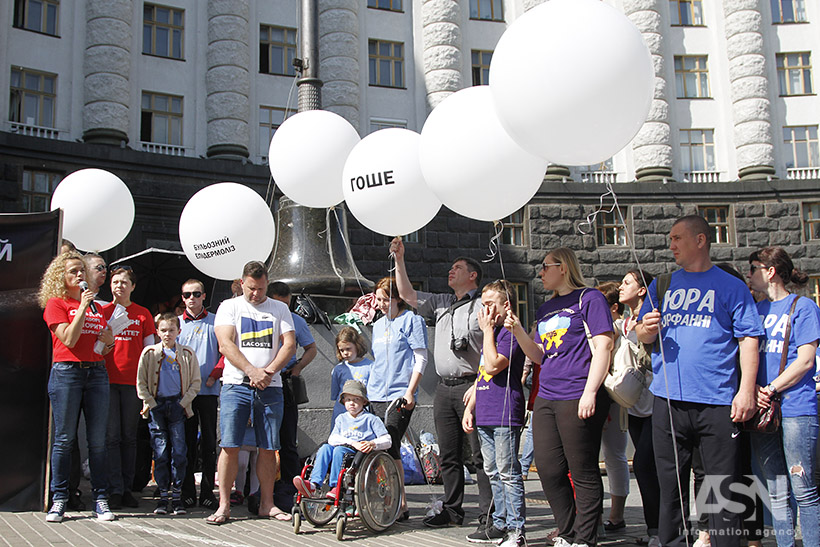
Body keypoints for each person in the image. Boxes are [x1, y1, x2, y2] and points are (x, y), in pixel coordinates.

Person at [636, 215, 764, 547]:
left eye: (678, 237)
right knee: (671, 488)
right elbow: (641, 334)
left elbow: (749, 338)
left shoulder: (730, 285)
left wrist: (746, 391)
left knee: (721, 489)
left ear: (700, 240)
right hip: (667, 400)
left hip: (717, 401)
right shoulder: (662, 284)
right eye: (670, 238)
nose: (672, 244)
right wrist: (646, 329)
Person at [506, 247, 613, 547]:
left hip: (578, 391)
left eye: (545, 267)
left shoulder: (589, 299)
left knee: (582, 470)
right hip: (547, 396)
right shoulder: (545, 309)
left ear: (563, 267)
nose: (540, 273)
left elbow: (604, 346)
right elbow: (539, 355)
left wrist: (591, 392)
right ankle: (568, 530)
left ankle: (585, 537)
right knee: (549, 468)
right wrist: (518, 332)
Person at [389, 237, 493, 532]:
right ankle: (452, 509)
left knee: (478, 455)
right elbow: (407, 294)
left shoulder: (482, 305)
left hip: (471, 386)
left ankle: (488, 514)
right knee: (448, 454)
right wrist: (400, 260)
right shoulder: (441, 302)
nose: (451, 271)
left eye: (457, 268)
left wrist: (481, 381)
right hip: (444, 389)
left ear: (472, 276)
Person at [207, 261, 296, 525]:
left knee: (269, 447)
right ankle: (224, 505)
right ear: (241, 283)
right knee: (230, 446)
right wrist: (250, 371)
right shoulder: (229, 306)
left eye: (260, 288)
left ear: (267, 283)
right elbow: (225, 344)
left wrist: (267, 372)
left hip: (271, 386)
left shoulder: (279, 308)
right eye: (250, 288)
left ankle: (267, 504)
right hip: (236, 385)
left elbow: (289, 344)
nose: (255, 294)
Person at [747, 246, 820, 547]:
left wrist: (771, 388)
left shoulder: (803, 307)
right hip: (763, 410)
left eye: (753, 268)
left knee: (803, 489)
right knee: (776, 491)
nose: (748, 275)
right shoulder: (755, 310)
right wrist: (753, 391)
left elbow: (805, 360)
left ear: (770, 271)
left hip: (796, 408)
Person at [40, 251, 116, 522]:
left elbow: (104, 347)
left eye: (81, 270)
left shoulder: (96, 306)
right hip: (67, 373)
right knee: (64, 439)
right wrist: (82, 307)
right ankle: (58, 498)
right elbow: (69, 340)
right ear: (61, 277)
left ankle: (101, 499)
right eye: (73, 271)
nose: (80, 275)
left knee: (98, 441)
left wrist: (109, 341)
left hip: (96, 373)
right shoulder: (56, 304)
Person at [462, 280, 527, 547]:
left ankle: (516, 528)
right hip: (485, 410)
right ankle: (499, 522)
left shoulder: (510, 333)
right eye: (482, 305)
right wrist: (471, 406)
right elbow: (482, 372)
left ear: (506, 305)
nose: (484, 311)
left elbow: (493, 363)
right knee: (492, 470)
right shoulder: (492, 333)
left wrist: (488, 331)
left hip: (504, 410)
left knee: (508, 470)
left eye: (490, 305)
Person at [370, 277, 428, 520]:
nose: (380, 304)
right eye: (378, 299)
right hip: (375, 393)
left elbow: (421, 357)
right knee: (376, 447)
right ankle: (385, 497)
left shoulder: (412, 321)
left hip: (399, 394)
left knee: (390, 442)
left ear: (397, 299)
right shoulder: (377, 325)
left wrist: (410, 391)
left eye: (385, 299)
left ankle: (399, 500)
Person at [102, 264, 157, 509]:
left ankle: (126, 488)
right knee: (111, 437)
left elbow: (149, 353)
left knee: (129, 437)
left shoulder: (142, 314)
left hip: (133, 384)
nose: (119, 286)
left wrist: (148, 384)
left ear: (133, 286)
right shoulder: (101, 311)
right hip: (106, 381)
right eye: (115, 282)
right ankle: (113, 489)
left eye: (124, 282)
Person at [136, 312, 201, 515]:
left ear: (178, 332)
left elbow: (195, 382)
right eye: (163, 330)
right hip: (157, 406)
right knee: (161, 452)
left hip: (177, 406)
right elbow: (141, 383)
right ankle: (163, 495)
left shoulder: (187, 354)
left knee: (179, 452)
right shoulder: (149, 353)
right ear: (157, 332)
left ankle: (177, 494)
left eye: (171, 330)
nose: (167, 334)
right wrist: (151, 403)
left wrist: (183, 403)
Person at [618, 269, 660, 547]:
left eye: (627, 283)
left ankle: (664, 529)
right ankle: (653, 529)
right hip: (633, 404)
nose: (621, 287)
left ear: (642, 290)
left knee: (648, 465)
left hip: (657, 401)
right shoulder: (624, 321)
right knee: (645, 469)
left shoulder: (652, 317)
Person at [293, 381, 391, 499]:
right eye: (348, 400)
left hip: (359, 454)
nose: (352, 403)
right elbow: (333, 438)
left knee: (339, 450)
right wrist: (352, 443)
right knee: (325, 448)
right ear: (344, 402)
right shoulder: (341, 418)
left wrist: (373, 443)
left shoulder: (371, 419)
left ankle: (335, 486)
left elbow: (387, 440)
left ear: (364, 402)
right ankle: (313, 484)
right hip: (345, 446)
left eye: (356, 400)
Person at [267, 281, 318, 510]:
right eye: (280, 304)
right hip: (263, 380)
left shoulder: (296, 321)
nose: (284, 310)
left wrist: (297, 368)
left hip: (285, 380)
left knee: (288, 437)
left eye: (287, 305)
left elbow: (311, 348)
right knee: (264, 439)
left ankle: (290, 484)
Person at [177, 278, 220, 509]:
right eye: (186, 295)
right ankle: (186, 492)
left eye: (196, 294)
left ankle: (207, 492)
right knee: (186, 444)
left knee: (209, 443)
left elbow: (224, 352)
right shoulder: (175, 324)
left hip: (209, 392)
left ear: (204, 296)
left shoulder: (216, 322)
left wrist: (215, 374)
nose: (191, 299)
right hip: (185, 395)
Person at [595, 281, 631, 534]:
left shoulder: (616, 326)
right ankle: (601, 515)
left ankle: (616, 514)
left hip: (612, 395)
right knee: (603, 457)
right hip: (601, 393)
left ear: (613, 307)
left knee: (614, 456)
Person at [330, 327, 374, 425]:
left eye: (348, 349)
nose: (345, 353)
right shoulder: (338, 369)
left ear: (357, 346)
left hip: (363, 415)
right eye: (342, 350)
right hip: (342, 414)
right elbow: (335, 394)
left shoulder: (371, 367)